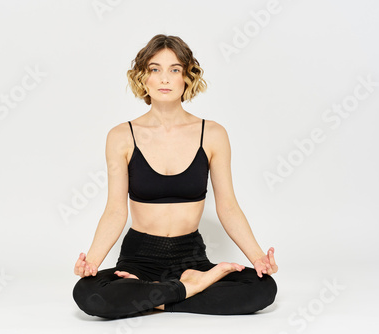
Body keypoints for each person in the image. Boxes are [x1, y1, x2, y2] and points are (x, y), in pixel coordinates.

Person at [72, 34, 278, 319]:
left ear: (187, 78)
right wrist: (92, 262)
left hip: (191, 256)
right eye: (155, 69)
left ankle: (152, 294)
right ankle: (189, 289)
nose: (165, 78)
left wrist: (257, 257)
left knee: (262, 289)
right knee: (87, 294)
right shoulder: (121, 137)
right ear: (143, 78)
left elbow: (228, 206)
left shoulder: (213, 134)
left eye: (175, 69)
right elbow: (116, 210)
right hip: (139, 257)